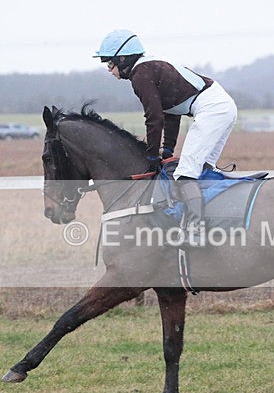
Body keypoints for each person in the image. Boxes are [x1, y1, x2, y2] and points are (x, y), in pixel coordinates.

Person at [94, 29, 237, 246]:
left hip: (212, 109)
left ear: (123, 59)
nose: (108, 69)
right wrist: (167, 149)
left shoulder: (140, 75)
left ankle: (196, 231)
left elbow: (154, 117)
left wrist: (152, 156)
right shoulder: (149, 67)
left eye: (109, 63)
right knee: (203, 170)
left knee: (185, 174)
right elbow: (171, 112)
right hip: (222, 106)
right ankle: (212, 221)